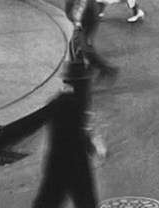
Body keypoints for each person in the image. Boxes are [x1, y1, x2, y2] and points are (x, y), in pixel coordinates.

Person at [30, 61, 105, 208]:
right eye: (85, 82)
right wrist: (90, 145)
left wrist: (90, 144)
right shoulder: (69, 103)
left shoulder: (64, 101)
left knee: (50, 201)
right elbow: (75, 133)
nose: (88, 86)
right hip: (69, 164)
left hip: (62, 164)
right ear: (79, 83)